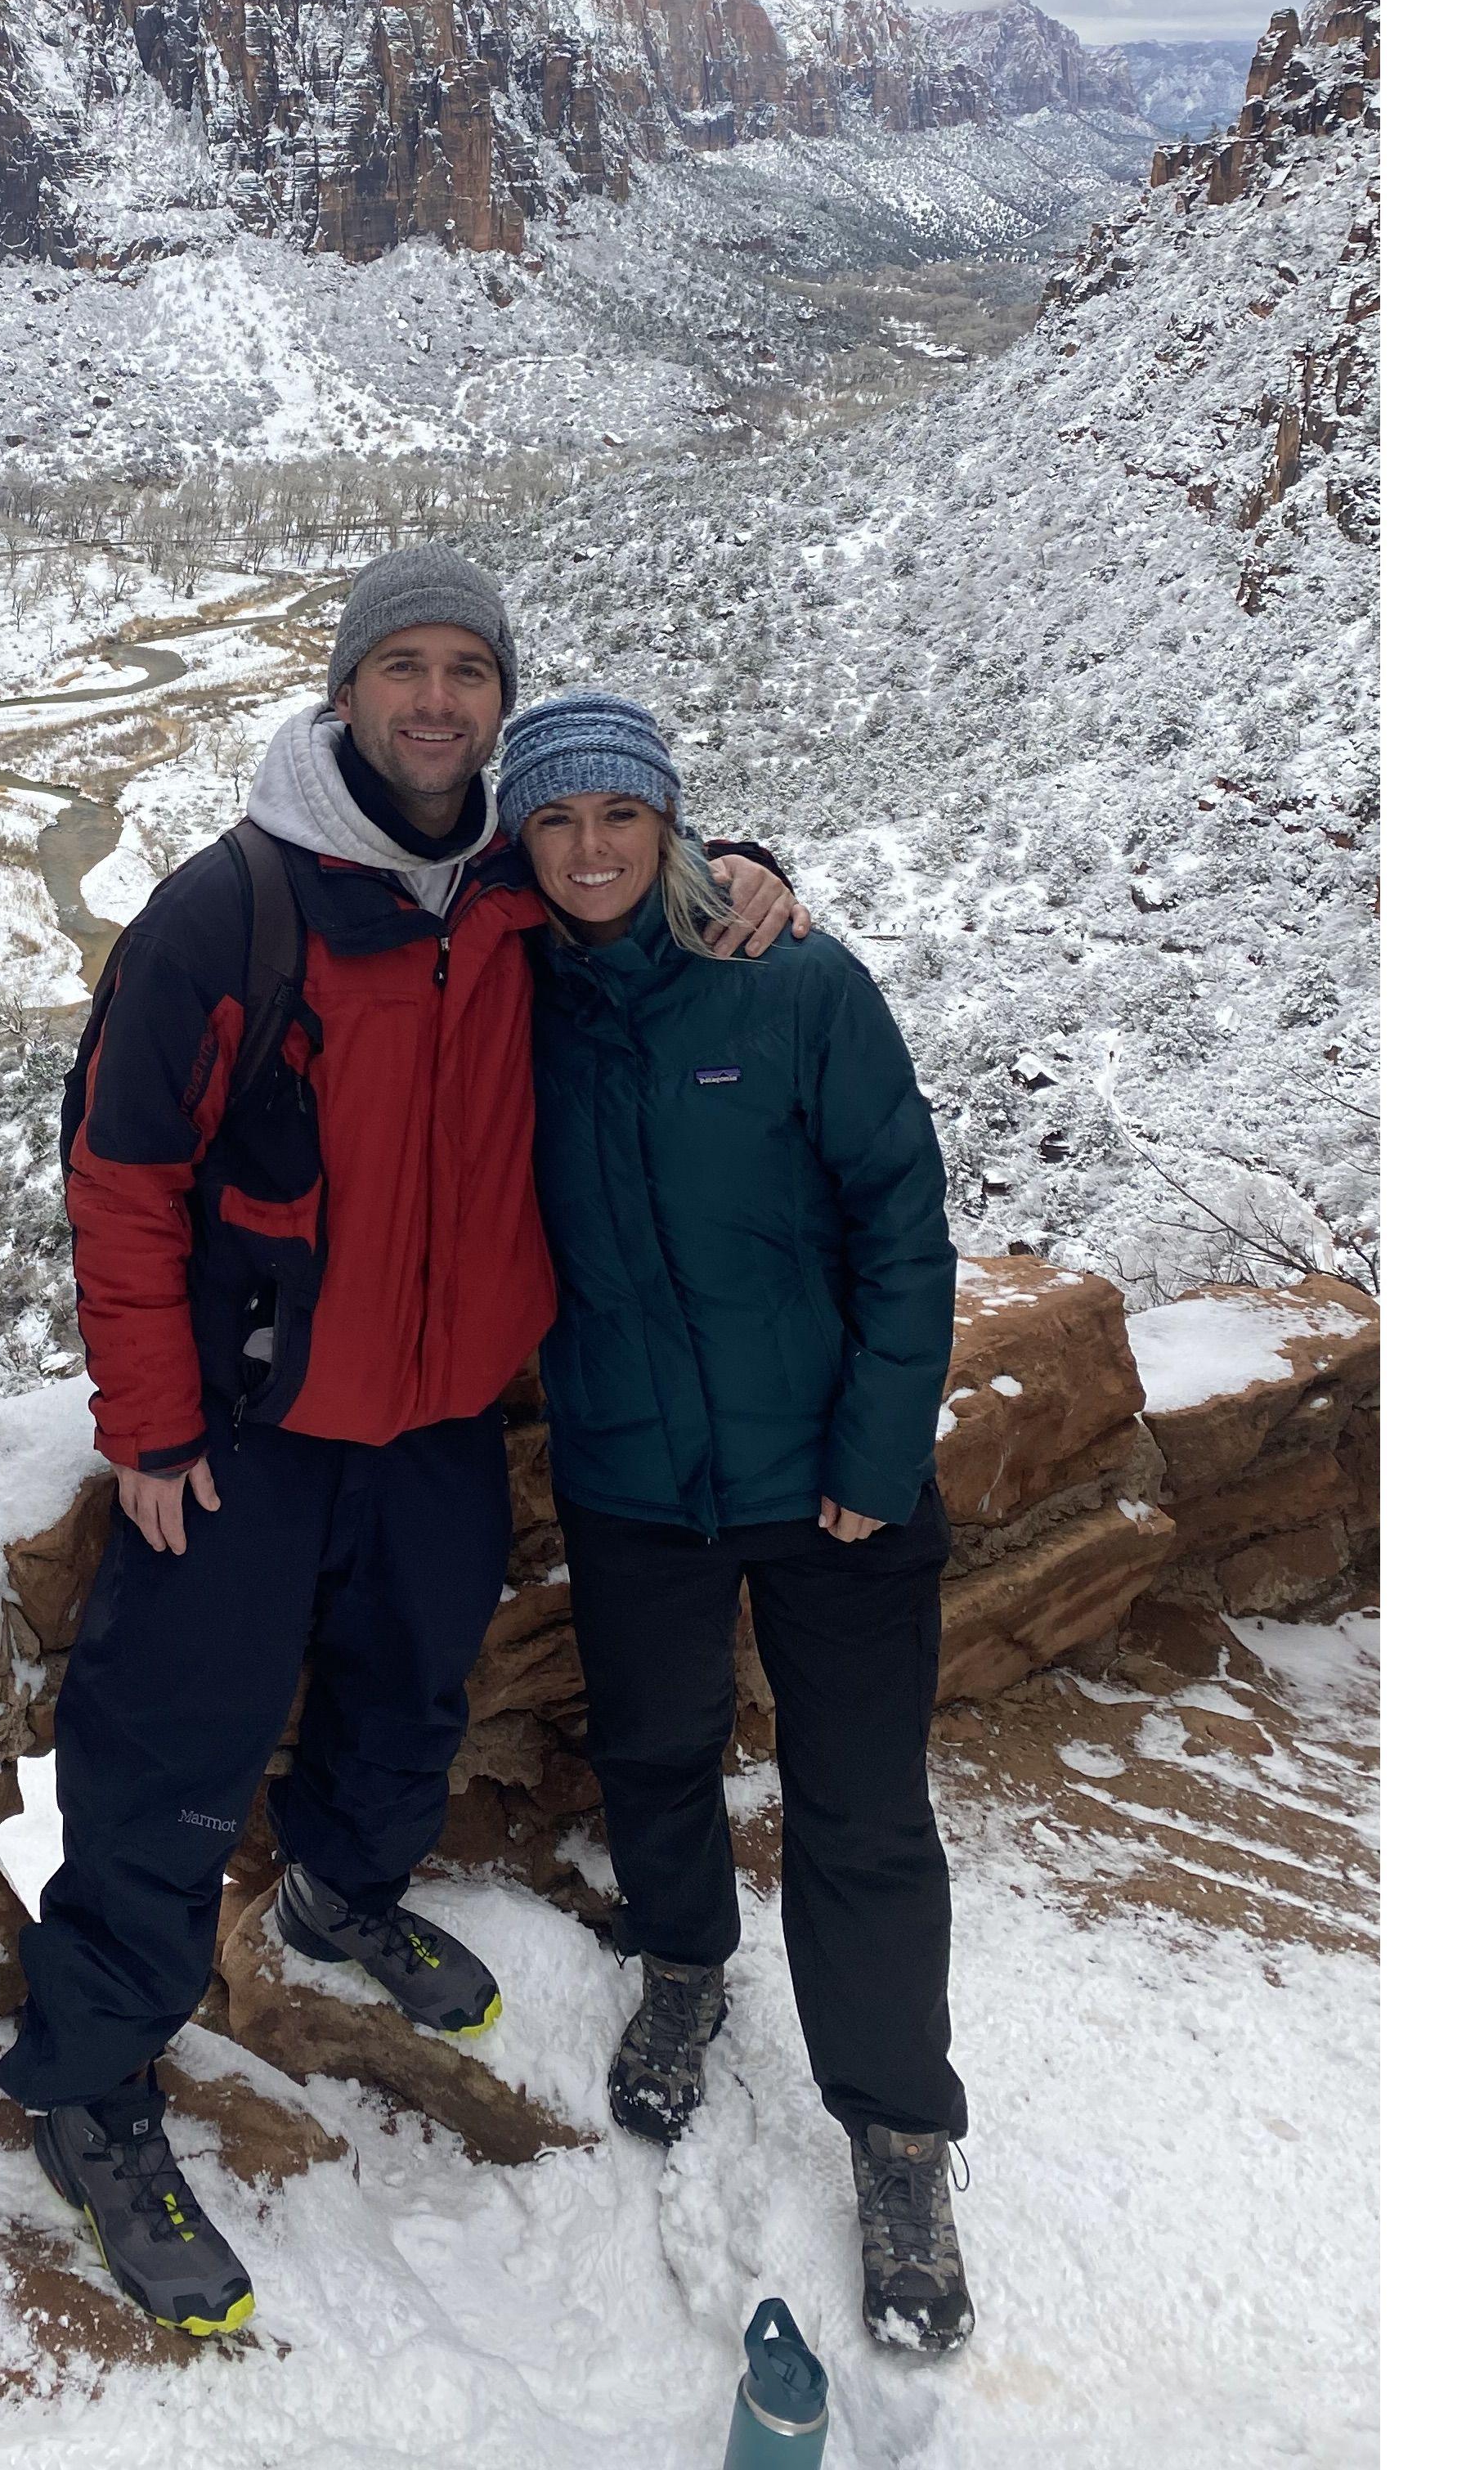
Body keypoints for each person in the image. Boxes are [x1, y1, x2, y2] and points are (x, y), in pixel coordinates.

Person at [0, 550, 803, 2338]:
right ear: (346, 690)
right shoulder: (231, 910)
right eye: (405, 669)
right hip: (253, 1426)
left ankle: (342, 1903)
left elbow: (657, 871)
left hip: (444, 1410)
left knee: (413, 1685)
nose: (438, 703)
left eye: (469, 673)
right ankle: (86, 2082)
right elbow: (123, 1182)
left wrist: (755, 874)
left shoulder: (520, 882)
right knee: (172, 1758)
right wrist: (148, 1415)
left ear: (500, 704)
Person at [494, 689, 975, 2355]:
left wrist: (879, 1444)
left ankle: (899, 2130)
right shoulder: (513, 1002)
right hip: (634, 1477)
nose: (592, 847)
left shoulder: (795, 983)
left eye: (619, 813)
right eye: (555, 821)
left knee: (861, 1812)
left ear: (674, 821)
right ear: (521, 842)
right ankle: (683, 1960)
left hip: (834, 1488)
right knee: (653, 1750)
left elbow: (904, 1225)